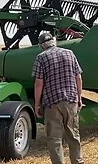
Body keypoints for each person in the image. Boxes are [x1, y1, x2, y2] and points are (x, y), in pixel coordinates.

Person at [32, 32, 84, 164]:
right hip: (71, 100)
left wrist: (37, 104)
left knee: (54, 139)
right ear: (54, 41)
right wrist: (79, 97)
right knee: (73, 135)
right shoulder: (69, 53)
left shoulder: (41, 57)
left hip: (52, 102)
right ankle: (78, 161)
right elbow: (78, 77)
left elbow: (39, 83)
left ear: (41, 45)